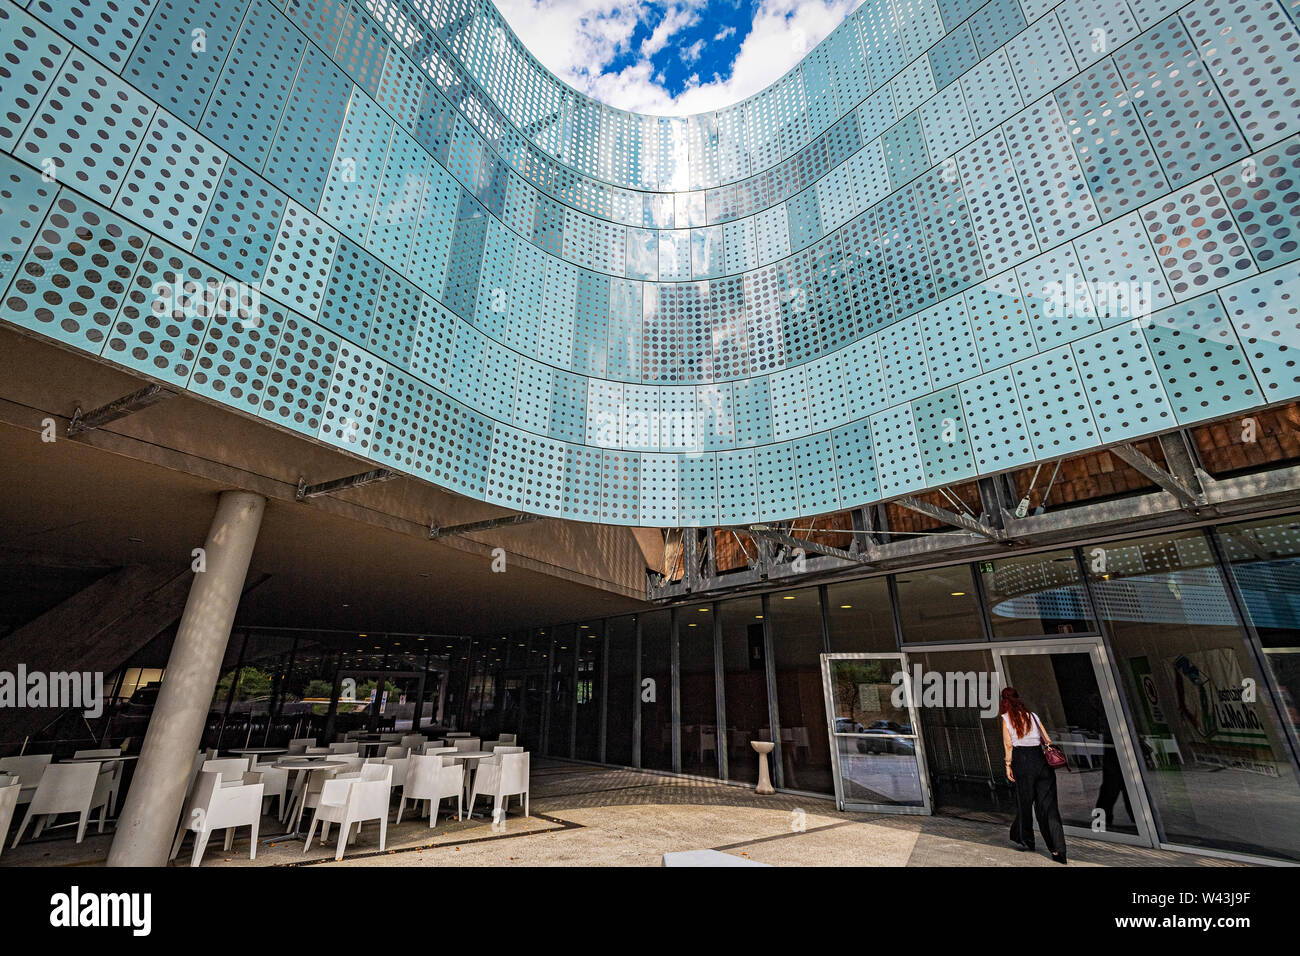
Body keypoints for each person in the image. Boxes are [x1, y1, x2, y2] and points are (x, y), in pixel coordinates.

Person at [1000, 686, 1067, 864]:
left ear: (1004, 701)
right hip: (1041, 760)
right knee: (1049, 808)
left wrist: (1008, 765)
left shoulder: (1006, 719)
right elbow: (1047, 739)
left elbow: (1008, 745)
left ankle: (1025, 838)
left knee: (1025, 801)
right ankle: (1058, 850)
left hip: (1022, 761)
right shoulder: (1033, 716)